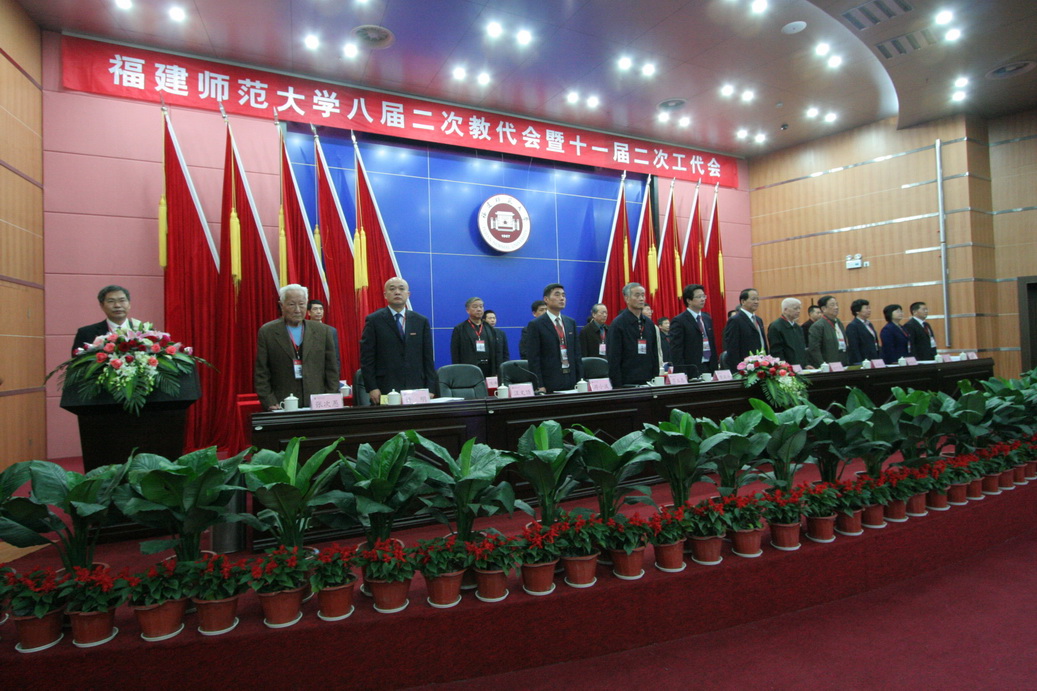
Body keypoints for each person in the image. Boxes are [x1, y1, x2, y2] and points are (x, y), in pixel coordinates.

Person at [255, 284, 340, 411]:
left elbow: (332, 369)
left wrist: (330, 397)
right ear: (281, 305)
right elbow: (262, 372)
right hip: (282, 403)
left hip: (318, 403)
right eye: (291, 304)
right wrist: (269, 401)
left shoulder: (323, 331)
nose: (297, 310)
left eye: (301, 304)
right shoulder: (268, 332)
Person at [359, 277, 437, 404]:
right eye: (392, 289)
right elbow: (367, 357)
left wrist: (431, 388)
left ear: (408, 294)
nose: (397, 292)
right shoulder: (374, 320)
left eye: (401, 289)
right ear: (385, 295)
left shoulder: (421, 321)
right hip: (385, 386)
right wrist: (372, 387)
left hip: (416, 386)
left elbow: (428, 358)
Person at [525, 283, 582, 393]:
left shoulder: (570, 323)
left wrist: (580, 380)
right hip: (550, 381)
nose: (562, 298)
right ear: (546, 299)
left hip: (571, 378)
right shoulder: (536, 324)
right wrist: (539, 384)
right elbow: (533, 359)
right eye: (557, 294)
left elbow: (577, 354)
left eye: (563, 295)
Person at [607, 282, 658, 387]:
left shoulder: (649, 323)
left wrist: (655, 377)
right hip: (627, 382)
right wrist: (617, 385)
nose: (641, 298)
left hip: (648, 381)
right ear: (627, 298)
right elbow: (613, 357)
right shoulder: (618, 324)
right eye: (637, 295)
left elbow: (654, 353)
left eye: (643, 295)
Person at [71, 285, 142, 355]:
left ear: (129, 304)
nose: (117, 305)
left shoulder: (143, 331)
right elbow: (77, 361)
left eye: (122, 300)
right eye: (111, 301)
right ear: (102, 306)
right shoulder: (86, 333)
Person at [670, 284, 718, 377]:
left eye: (703, 296)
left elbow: (712, 344)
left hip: (709, 366)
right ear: (688, 300)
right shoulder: (679, 320)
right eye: (699, 297)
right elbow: (676, 350)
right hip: (691, 368)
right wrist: (681, 372)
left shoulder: (707, 318)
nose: (703, 299)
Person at [450, 297, 499, 378]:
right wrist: (458, 372)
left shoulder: (489, 328)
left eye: (481, 306)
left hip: (489, 369)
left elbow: (496, 351)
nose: (479, 309)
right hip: (469, 370)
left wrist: (496, 371)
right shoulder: (460, 329)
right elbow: (455, 353)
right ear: (467, 310)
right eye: (475, 307)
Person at [721, 288, 768, 368]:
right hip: (745, 367)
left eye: (757, 299)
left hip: (761, 365)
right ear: (743, 301)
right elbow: (732, 347)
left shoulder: (758, 320)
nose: (756, 302)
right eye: (753, 299)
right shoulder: (735, 320)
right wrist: (739, 367)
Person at [807, 295, 849, 368]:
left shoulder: (838, 322)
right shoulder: (818, 326)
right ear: (823, 309)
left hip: (843, 361)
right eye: (832, 305)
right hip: (828, 364)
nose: (836, 307)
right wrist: (822, 364)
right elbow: (814, 349)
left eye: (836, 304)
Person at [767, 297, 807, 368]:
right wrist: (783, 366)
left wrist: (805, 364)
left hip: (800, 366)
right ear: (785, 310)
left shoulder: (798, 327)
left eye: (799, 308)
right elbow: (776, 351)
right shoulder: (776, 326)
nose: (798, 311)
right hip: (786, 368)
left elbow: (802, 348)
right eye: (795, 308)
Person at [307, 298, 340, 369]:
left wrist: (336, 371)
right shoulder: (304, 329)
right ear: (309, 312)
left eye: (321, 309)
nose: (319, 311)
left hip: (325, 368)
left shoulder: (331, 330)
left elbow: (335, 355)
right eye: (315, 309)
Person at [845, 298, 880, 365]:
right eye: (866, 308)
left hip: (873, 358)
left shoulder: (869, 324)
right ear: (857, 311)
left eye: (869, 308)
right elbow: (854, 347)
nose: (869, 310)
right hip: (863, 361)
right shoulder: (852, 326)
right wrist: (859, 362)